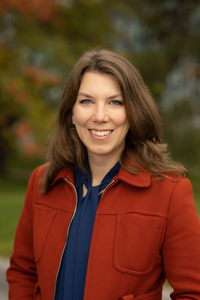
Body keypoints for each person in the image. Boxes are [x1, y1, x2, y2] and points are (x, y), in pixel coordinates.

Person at [7, 48, 200, 300]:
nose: (100, 116)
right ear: (71, 113)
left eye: (115, 102)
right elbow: (23, 272)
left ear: (134, 112)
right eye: (86, 101)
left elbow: (193, 293)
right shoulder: (42, 181)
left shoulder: (170, 191)